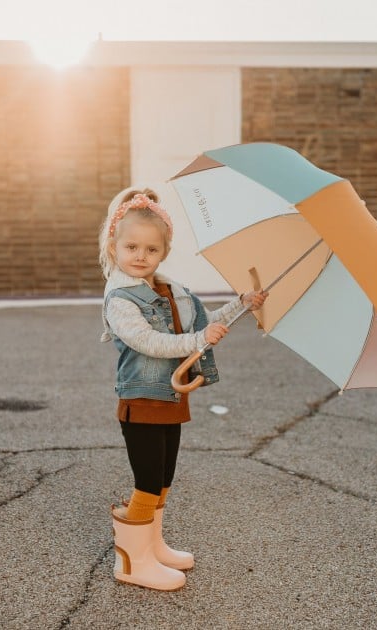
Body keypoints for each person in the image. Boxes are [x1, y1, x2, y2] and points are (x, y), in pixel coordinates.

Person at [99, 187, 267, 591]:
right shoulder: (120, 298)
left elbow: (203, 324)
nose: (141, 256)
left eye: (151, 249)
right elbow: (149, 342)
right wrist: (197, 341)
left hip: (171, 398)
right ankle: (131, 562)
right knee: (146, 481)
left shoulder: (172, 290)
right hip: (141, 401)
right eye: (132, 246)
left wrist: (243, 303)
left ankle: (152, 547)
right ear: (114, 246)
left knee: (164, 477)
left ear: (164, 252)